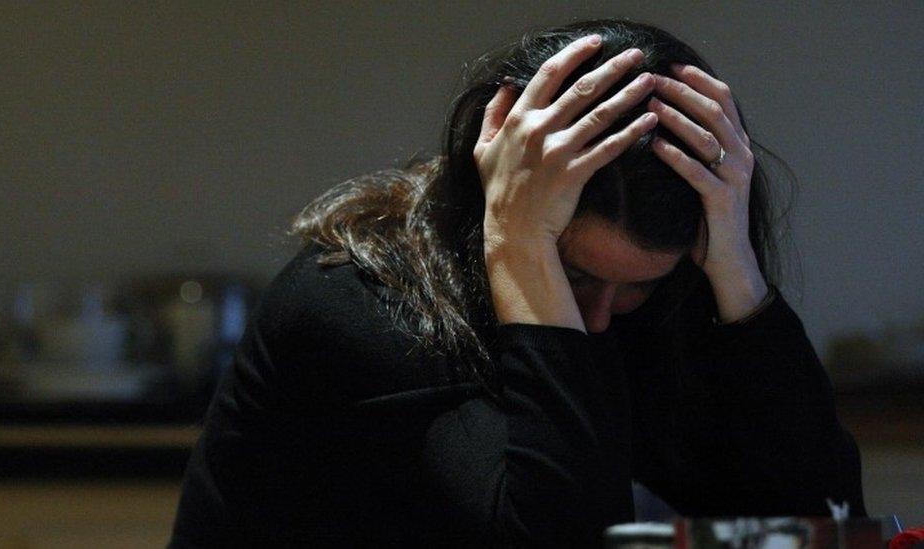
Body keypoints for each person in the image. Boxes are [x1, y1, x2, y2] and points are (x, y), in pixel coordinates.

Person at [168, 17, 866, 546]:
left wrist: (735, 269)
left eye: (636, 288)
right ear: (493, 208)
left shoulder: (652, 300)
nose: (599, 318)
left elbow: (822, 520)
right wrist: (521, 245)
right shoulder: (357, 301)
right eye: (574, 274)